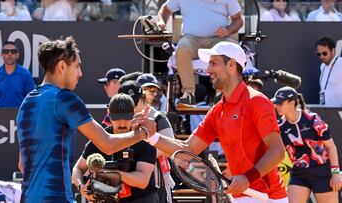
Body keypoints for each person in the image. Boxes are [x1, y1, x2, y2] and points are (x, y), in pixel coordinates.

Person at [143, 41, 288, 203]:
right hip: (242, 197)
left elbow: (277, 151)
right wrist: (152, 136)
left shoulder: (257, 101)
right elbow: (188, 149)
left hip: (268, 198)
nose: (207, 70)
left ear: (231, 65)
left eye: (213, 63)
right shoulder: (217, 111)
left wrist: (248, 178)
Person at [16, 36, 155, 202]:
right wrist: (143, 133)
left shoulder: (27, 102)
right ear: (62, 66)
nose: (80, 73)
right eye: (77, 66)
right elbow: (107, 144)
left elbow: (22, 165)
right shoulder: (64, 98)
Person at [72, 93, 158, 203]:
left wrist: (113, 173)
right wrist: (81, 187)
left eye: (126, 118)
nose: (122, 123)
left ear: (134, 114)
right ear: (109, 114)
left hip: (141, 199)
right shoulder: (101, 137)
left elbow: (142, 181)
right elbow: (77, 169)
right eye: (117, 118)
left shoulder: (143, 138)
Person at [157, 0, 243, 105]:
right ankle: (188, 93)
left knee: (228, 51)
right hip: (192, 39)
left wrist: (228, 30)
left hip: (218, 39)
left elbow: (238, 20)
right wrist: (161, 21)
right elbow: (165, 10)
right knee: (182, 49)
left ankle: (222, 93)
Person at [271, 86, 342, 203]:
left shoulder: (312, 119)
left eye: (280, 103)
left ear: (292, 103)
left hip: (322, 172)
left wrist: (336, 173)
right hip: (299, 173)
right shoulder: (280, 126)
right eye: (275, 103)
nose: (276, 106)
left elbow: (331, 147)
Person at [119, 80, 176, 203]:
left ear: (143, 98)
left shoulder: (157, 117)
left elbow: (171, 148)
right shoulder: (118, 119)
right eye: (127, 104)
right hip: (126, 184)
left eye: (134, 102)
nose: (132, 107)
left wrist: (142, 154)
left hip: (157, 183)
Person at [0, 41, 35, 108]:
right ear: (2, 55)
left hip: (19, 116)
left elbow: (31, 98)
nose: (9, 54)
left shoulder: (26, 74)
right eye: (6, 52)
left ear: (17, 55)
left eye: (13, 52)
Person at [315, 36, 342, 107]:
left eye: (324, 53)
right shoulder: (322, 66)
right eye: (319, 54)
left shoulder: (341, 63)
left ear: (333, 51)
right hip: (325, 111)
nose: (321, 57)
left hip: (339, 113)